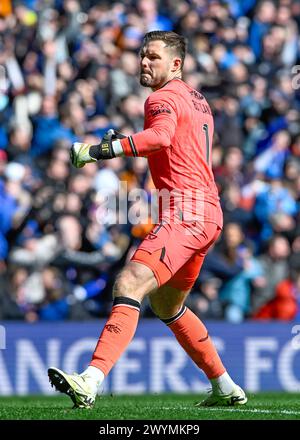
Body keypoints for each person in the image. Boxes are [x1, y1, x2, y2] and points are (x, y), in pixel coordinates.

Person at [48, 31, 247, 409]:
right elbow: (173, 144)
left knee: (129, 280)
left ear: (175, 64)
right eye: (142, 55)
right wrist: (129, 140)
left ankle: (90, 380)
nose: (143, 62)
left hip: (186, 211)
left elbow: (160, 137)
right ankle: (224, 386)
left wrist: (100, 150)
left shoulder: (161, 98)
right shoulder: (197, 100)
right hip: (208, 213)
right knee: (167, 307)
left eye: (153, 56)